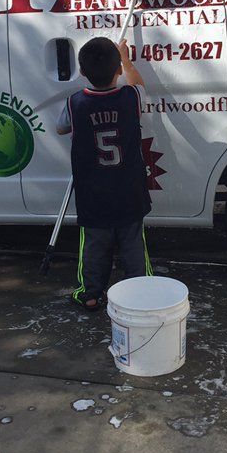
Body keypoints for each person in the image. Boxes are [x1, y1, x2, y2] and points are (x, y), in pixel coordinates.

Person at [56, 36, 152, 311]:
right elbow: (139, 85)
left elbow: (60, 128)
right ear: (118, 70)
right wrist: (127, 59)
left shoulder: (76, 103)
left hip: (93, 195)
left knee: (94, 248)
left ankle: (90, 293)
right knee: (134, 245)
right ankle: (141, 291)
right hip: (129, 191)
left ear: (83, 72)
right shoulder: (130, 97)